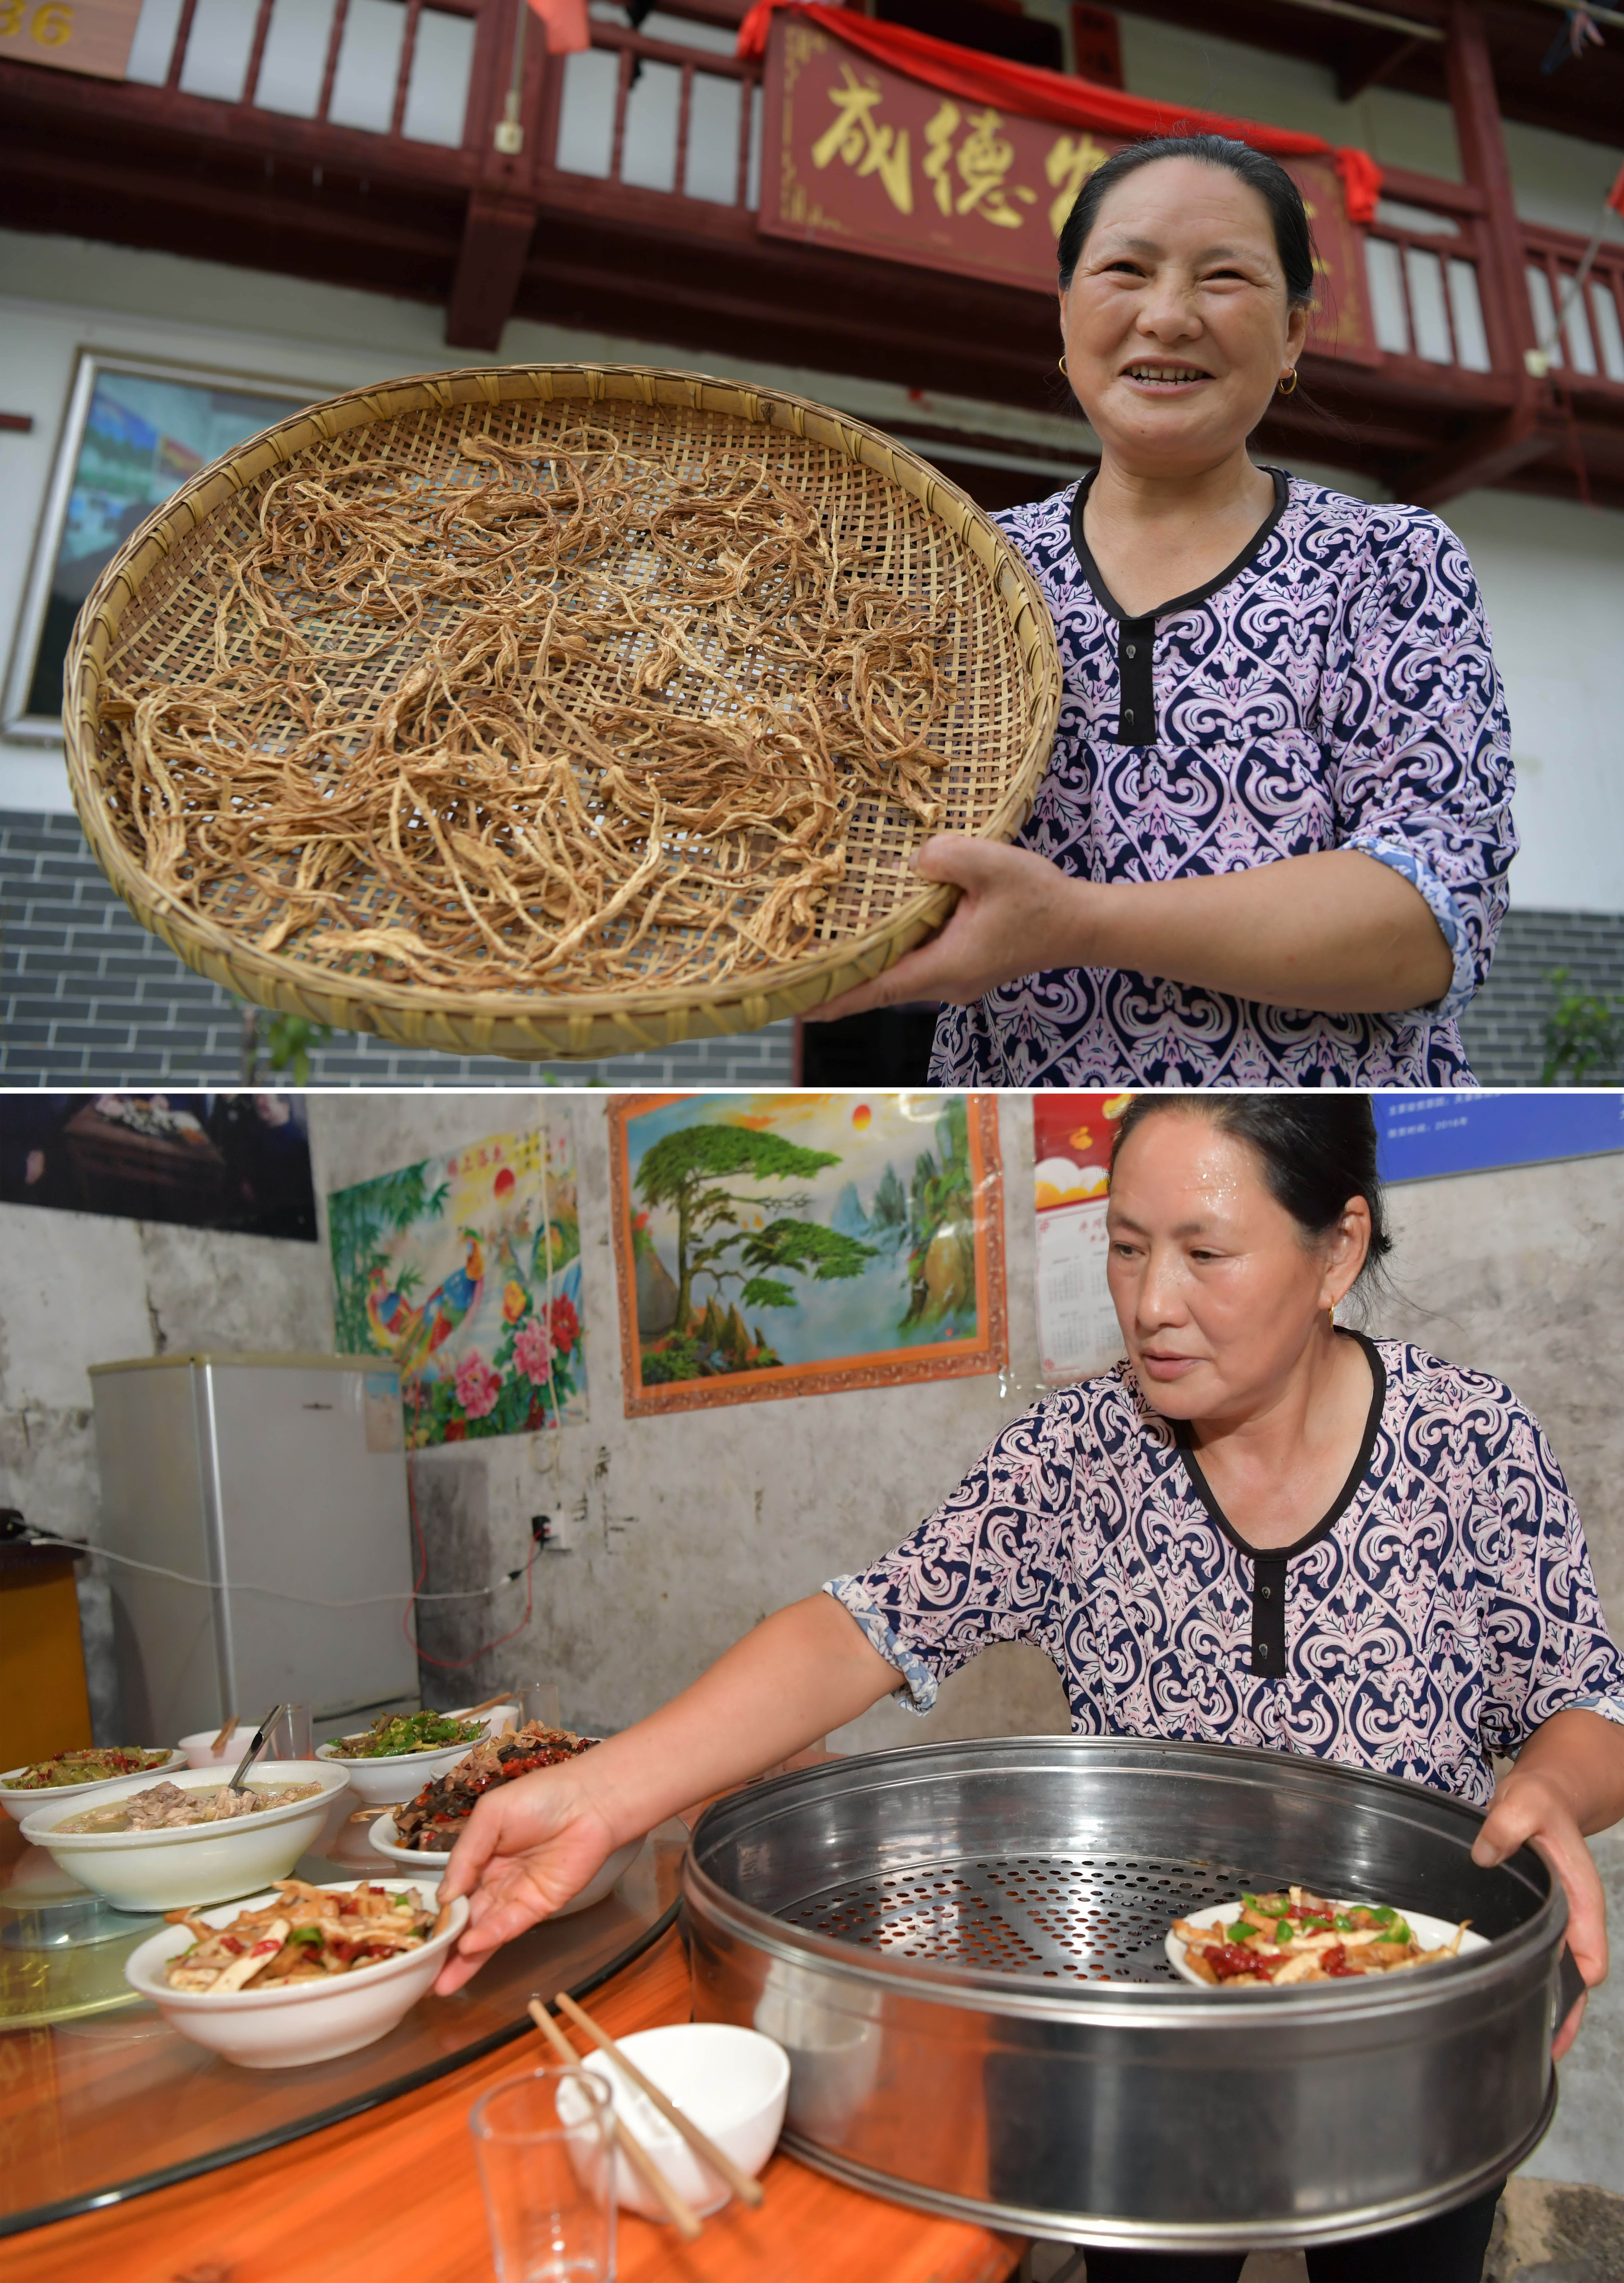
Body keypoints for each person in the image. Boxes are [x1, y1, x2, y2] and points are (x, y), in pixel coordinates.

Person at [433, 1095, 1624, 2279]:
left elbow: (1589, 1699)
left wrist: (1555, 1786)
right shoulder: (1078, 1459)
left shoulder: (1469, 1443)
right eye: (1122, 1245)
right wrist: (599, 1795)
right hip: (1140, 2040)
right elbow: (860, 1630)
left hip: (1408, 2030)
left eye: (1205, 1253)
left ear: (1339, 1250)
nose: (1150, 1302)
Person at [805, 136, 1516, 1087]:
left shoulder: (1387, 564)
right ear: (1064, 314)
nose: (1168, 317)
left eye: (1224, 278)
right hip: (1030, 1138)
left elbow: (1431, 915)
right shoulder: (963, 575)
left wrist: (1079, 922)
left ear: (1295, 332)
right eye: (1125, 271)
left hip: (1322, 1146)